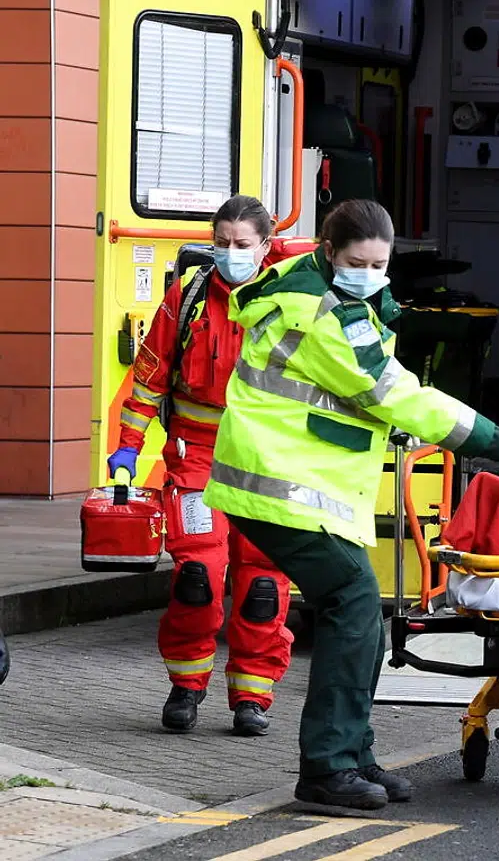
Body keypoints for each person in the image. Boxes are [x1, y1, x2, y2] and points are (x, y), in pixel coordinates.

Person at [201, 199, 499, 811]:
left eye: (381, 263)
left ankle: (352, 755)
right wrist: (494, 439)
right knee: (354, 606)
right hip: (280, 486)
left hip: (301, 485)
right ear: (329, 253)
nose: (370, 272)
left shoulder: (334, 298)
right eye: (358, 261)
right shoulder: (320, 314)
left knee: (359, 621)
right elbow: (394, 394)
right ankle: (329, 769)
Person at [107, 195, 295, 737]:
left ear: (265, 246)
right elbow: (149, 380)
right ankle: (187, 686)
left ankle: (252, 698)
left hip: (266, 464)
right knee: (198, 578)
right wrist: (128, 447)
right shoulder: (187, 299)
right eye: (222, 243)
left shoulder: (289, 306)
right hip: (197, 461)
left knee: (262, 584)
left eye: (242, 244)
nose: (231, 254)